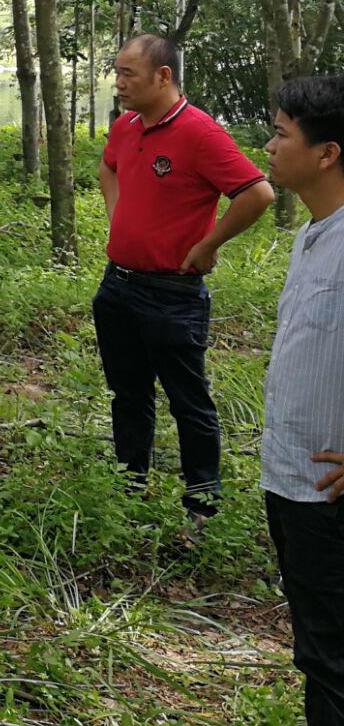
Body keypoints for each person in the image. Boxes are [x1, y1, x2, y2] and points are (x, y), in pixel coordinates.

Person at [96, 33, 273, 520]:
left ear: (163, 76)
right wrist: (118, 216)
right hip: (118, 285)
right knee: (128, 394)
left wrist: (208, 244)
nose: (119, 83)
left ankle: (202, 503)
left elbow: (257, 193)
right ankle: (129, 487)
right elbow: (108, 170)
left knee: (188, 400)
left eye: (128, 74)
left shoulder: (200, 133)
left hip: (171, 294)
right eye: (117, 73)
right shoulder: (126, 126)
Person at [261, 74, 344, 726]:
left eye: (282, 134)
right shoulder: (314, 236)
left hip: (329, 495)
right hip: (292, 479)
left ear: (327, 153)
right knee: (318, 652)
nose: (269, 146)